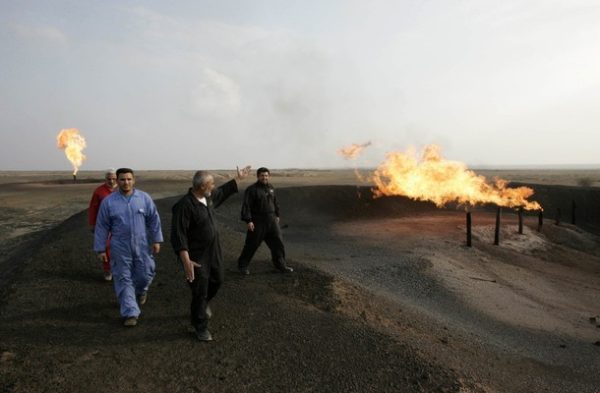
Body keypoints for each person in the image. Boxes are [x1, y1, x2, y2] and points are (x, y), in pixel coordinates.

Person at [171, 165, 251, 341]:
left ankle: (203, 304)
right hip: (196, 257)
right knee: (200, 291)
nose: (214, 187)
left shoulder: (207, 198)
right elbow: (178, 235)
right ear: (201, 187)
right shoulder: (184, 206)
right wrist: (186, 261)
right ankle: (199, 326)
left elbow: (222, 191)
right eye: (211, 184)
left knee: (218, 279)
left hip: (214, 252)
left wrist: (239, 179)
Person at [94, 168, 163, 327]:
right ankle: (130, 312)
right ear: (117, 181)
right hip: (119, 246)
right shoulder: (109, 202)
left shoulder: (144, 198)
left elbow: (154, 219)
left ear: (134, 180)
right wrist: (101, 249)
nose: (126, 182)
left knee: (145, 274)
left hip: (142, 244)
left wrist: (157, 240)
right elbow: (102, 226)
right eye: (122, 180)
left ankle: (141, 290)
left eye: (129, 179)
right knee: (123, 278)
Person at [237, 167, 293, 275]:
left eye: (266, 175)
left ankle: (280, 265)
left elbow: (275, 202)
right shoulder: (251, 189)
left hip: (272, 221)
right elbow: (246, 206)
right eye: (262, 175)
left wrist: (277, 214)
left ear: (269, 176)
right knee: (251, 245)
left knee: (278, 244)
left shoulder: (271, 188)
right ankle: (242, 266)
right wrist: (249, 221)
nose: (264, 177)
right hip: (258, 221)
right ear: (258, 176)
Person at [88, 168, 117, 281]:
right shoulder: (99, 191)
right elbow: (93, 208)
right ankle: (107, 270)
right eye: (109, 179)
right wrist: (92, 223)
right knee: (105, 248)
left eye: (114, 178)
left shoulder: (121, 189)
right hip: (104, 224)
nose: (111, 181)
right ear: (105, 179)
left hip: (119, 224)